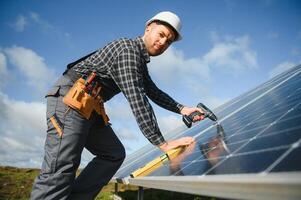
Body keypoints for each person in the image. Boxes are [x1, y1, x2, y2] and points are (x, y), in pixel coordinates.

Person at [30, 11, 204, 200]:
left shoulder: (138, 59)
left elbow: (152, 91)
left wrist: (182, 109)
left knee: (112, 153)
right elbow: (138, 100)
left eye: (169, 41)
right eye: (161, 34)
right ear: (148, 29)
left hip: (90, 106)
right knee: (60, 169)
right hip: (70, 100)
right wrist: (164, 144)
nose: (163, 43)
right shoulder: (128, 51)